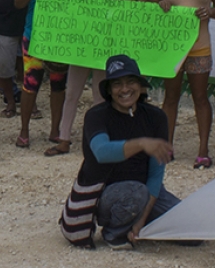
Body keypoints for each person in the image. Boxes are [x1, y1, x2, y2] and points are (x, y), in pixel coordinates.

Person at [58, 54, 180, 249]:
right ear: (109, 90)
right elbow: (102, 152)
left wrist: (142, 219)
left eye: (130, 82)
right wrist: (141, 143)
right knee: (135, 192)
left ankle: (136, 224)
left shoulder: (156, 117)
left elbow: (156, 174)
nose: (124, 89)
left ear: (141, 86)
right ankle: (114, 233)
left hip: (144, 193)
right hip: (106, 194)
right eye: (117, 84)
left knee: (187, 229)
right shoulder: (96, 116)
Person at [154, 0, 215, 169]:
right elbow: (152, 8)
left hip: (199, 45)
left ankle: (203, 150)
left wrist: (211, 12)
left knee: (200, 98)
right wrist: (160, 5)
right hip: (172, 48)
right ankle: (167, 147)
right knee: (171, 98)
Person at [51, 0, 116, 156]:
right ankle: (64, 138)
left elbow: (120, 12)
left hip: (101, 48)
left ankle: (98, 140)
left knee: (100, 96)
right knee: (72, 93)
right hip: (79, 49)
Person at [13, 0, 71, 150]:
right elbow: (18, 2)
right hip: (34, 37)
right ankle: (24, 130)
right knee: (30, 83)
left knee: (58, 84)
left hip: (59, 41)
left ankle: (55, 129)